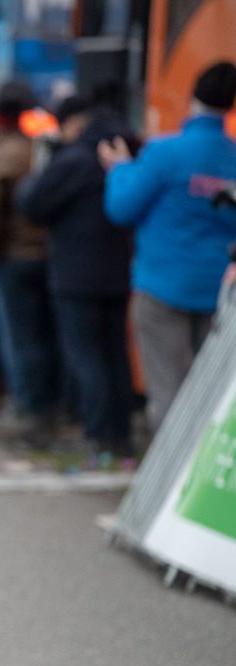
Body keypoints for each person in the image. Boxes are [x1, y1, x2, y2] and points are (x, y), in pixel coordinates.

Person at [100, 60, 236, 433]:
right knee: (211, 392)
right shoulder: (232, 157)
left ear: (193, 97)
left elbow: (121, 208)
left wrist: (120, 169)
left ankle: (167, 479)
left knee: (167, 391)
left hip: (163, 286)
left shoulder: (163, 153)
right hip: (219, 291)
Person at [18, 95, 135, 456]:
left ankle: (98, 433)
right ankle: (121, 434)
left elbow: (33, 203)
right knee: (116, 353)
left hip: (76, 272)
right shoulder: (128, 158)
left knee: (86, 355)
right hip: (118, 271)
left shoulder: (72, 161)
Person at [0, 80, 58, 448]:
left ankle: (27, 411)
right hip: (48, 255)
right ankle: (49, 408)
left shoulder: (0, 155)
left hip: (12, 257)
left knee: (19, 339)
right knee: (46, 336)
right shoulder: (42, 151)